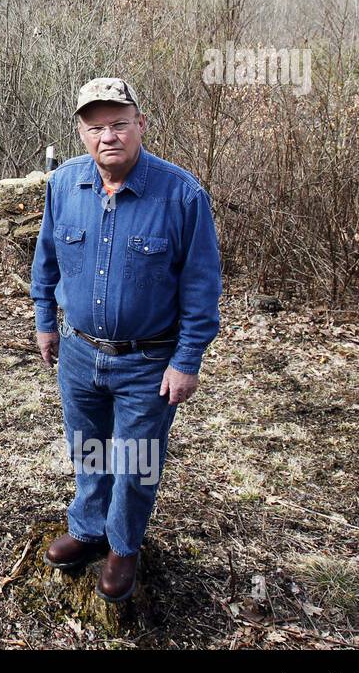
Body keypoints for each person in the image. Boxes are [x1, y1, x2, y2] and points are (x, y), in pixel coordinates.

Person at [31, 78, 222, 602]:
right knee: (88, 445)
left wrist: (187, 360)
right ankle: (89, 528)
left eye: (119, 123)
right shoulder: (64, 185)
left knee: (136, 457)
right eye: (96, 127)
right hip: (78, 351)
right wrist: (45, 320)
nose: (108, 135)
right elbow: (45, 259)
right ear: (81, 133)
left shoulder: (181, 194)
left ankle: (122, 544)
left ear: (141, 124)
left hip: (148, 358)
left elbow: (202, 288)